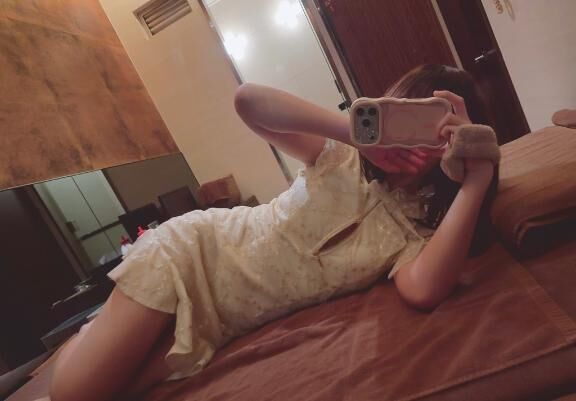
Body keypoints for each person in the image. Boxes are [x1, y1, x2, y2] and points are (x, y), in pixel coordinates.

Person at [50, 64, 498, 401]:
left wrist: (476, 177)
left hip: (218, 322)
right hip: (193, 253)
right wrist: (359, 133)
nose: (420, 138)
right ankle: (91, 331)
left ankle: (100, 328)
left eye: (438, 130)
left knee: (116, 390)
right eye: (412, 116)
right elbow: (248, 101)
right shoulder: (339, 156)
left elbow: (423, 290)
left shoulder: (415, 232)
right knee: (71, 395)